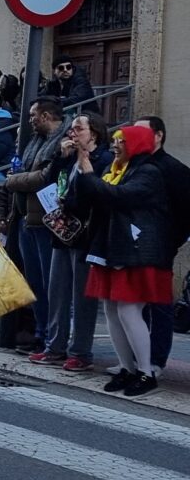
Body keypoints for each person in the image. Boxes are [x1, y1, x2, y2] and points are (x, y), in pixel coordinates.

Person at [75, 125, 172, 397]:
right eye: (115, 140)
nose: (115, 145)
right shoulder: (115, 170)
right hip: (112, 248)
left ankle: (146, 372)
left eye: (121, 141)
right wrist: (81, 169)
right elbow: (93, 195)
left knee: (129, 310)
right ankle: (127, 369)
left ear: (136, 144)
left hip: (137, 251)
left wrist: (88, 169)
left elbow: (117, 197)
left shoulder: (148, 172)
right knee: (111, 310)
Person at [29, 113, 112, 370]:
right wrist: (59, 157)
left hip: (86, 235)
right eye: (71, 130)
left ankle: (81, 352)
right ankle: (54, 346)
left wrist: (72, 200)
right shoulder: (68, 158)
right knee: (57, 291)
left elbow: (98, 192)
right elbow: (51, 181)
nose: (72, 134)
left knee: (82, 297)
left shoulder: (103, 159)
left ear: (93, 133)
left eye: (78, 129)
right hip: (62, 232)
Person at [3, 97, 68, 352]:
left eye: (33, 115)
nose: (30, 120)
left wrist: (13, 180)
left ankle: (54, 336)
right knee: (35, 282)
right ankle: (41, 332)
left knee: (51, 282)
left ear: (46, 116)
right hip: (25, 218)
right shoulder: (35, 141)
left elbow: (44, 177)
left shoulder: (61, 143)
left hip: (47, 220)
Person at [133, 115, 190, 376]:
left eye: (142, 133)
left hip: (160, 246)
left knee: (159, 304)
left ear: (158, 136)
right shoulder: (133, 165)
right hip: (133, 244)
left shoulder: (175, 170)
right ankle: (136, 358)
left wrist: (170, 242)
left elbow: (184, 212)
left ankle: (156, 359)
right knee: (133, 304)